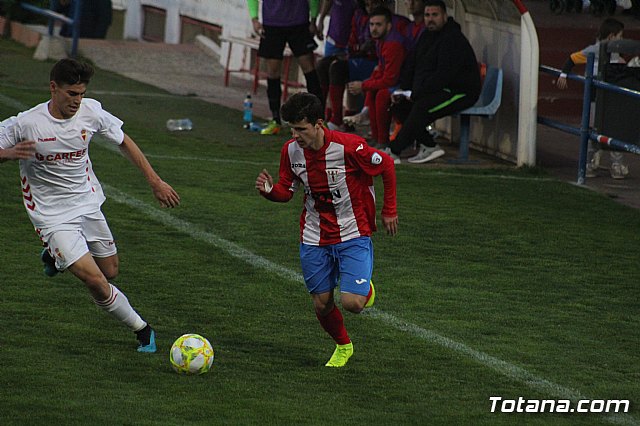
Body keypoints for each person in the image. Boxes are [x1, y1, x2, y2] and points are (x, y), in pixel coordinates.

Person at [0, 58, 181, 353]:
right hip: (52, 217)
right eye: (72, 94)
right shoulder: (26, 123)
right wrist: (8, 153)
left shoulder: (91, 112)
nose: (77, 101)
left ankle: (54, 257)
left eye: (82, 94)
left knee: (110, 271)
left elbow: (124, 141)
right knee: (95, 280)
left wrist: (155, 182)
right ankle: (142, 329)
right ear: (53, 88)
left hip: (87, 203)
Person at [254, 92, 398, 368]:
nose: (296, 135)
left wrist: (389, 209)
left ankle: (363, 289)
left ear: (319, 124)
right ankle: (344, 346)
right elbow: (287, 189)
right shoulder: (291, 151)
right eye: (292, 129)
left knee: (353, 303)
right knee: (321, 303)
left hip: (353, 232)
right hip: (313, 235)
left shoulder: (349, 147)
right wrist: (270, 192)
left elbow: (387, 165)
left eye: (301, 129)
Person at [386, 0, 480, 164]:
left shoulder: (453, 39)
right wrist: (404, 90)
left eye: (434, 15)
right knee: (400, 106)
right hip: (438, 89)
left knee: (422, 107)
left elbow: (443, 75)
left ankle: (394, 151)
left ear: (444, 16)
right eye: (427, 15)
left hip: (460, 92)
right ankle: (429, 145)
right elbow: (413, 64)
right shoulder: (427, 36)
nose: (430, 19)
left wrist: (416, 94)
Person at [556, 18, 629, 179]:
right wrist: (563, 74)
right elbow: (573, 58)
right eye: (620, 36)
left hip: (612, 99)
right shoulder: (594, 50)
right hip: (596, 98)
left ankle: (616, 164)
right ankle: (590, 162)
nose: (622, 39)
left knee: (614, 130)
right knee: (593, 129)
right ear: (611, 36)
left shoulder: (617, 53)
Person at [247, 0, 325, 135]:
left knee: (309, 68)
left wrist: (313, 18)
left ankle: (319, 121)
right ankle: (276, 120)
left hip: (299, 22)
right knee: (272, 71)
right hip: (272, 23)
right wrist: (254, 18)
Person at [347, 6, 406, 149]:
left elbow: (390, 80)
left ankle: (383, 140)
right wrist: (367, 84)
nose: (374, 29)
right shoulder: (381, 41)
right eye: (371, 25)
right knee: (374, 89)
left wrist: (363, 85)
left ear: (389, 26)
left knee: (382, 94)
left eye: (378, 25)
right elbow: (380, 70)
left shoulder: (393, 44)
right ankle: (376, 137)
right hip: (396, 81)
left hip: (405, 84)